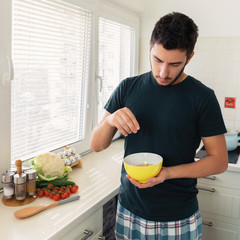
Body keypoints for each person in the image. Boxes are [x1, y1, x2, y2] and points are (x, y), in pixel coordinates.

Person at [90, 12, 228, 240]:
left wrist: (167, 173)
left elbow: (219, 161)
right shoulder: (127, 87)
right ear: (150, 48)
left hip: (178, 216)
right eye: (157, 60)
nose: (163, 73)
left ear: (190, 57)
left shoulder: (202, 97)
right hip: (129, 210)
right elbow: (96, 144)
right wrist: (111, 119)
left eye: (174, 64)